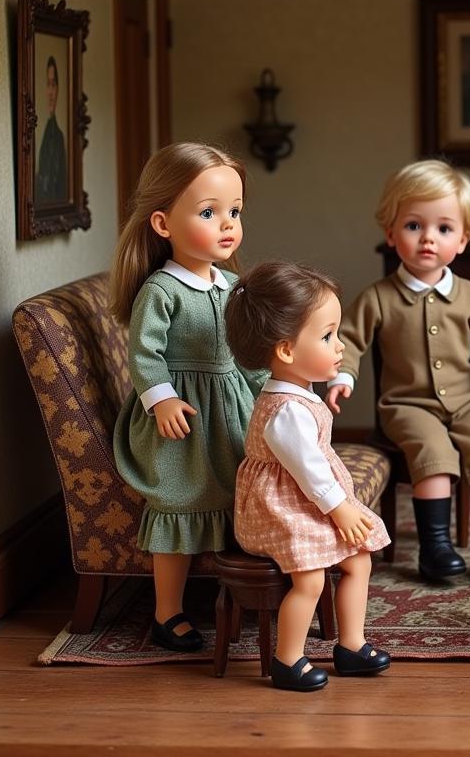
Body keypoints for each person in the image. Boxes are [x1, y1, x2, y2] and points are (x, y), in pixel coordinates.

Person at [326, 159, 470, 579]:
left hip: (468, 403)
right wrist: (343, 377)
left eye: (444, 229)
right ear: (391, 234)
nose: (429, 238)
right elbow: (349, 339)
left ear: (462, 240)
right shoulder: (379, 297)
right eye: (413, 226)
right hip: (407, 407)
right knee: (434, 453)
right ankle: (436, 547)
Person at [110, 142, 265, 652]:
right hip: (181, 419)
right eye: (208, 212)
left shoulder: (236, 286)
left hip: (231, 411)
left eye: (234, 212)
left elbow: (250, 353)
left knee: (240, 498)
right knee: (180, 503)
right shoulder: (162, 291)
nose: (228, 225)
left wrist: (273, 392)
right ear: (162, 224)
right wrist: (160, 398)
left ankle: (240, 595)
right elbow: (144, 353)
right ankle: (167, 612)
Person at [226, 262, 391, 692]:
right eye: (327, 336)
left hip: (304, 500)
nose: (339, 346)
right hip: (278, 509)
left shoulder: (299, 392)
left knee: (359, 558)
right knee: (311, 576)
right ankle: (288, 659)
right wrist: (340, 511)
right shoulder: (286, 412)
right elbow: (310, 473)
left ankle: (352, 646)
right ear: (285, 351)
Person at [35, 55, 67, 203]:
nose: (51, 92)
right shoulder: (43, 132)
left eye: (54, 84)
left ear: (58, 88)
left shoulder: (59, 136)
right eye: (48, 84)